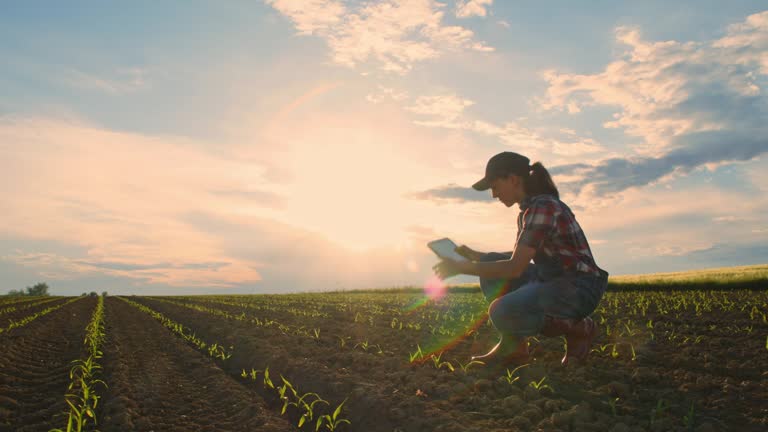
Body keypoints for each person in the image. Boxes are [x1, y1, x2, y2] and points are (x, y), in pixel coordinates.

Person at [432, 151, 609, 367]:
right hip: (553, 280)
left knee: (502, 311)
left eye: (495, 186)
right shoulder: (529, 211)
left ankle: (579, 328)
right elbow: (520, 258)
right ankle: (514, 348)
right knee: (491, 261)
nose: (494, 195)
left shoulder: (543, 207)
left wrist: (462, 267)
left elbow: (515, 268)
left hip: (578, 288)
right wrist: (473, 256)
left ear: (513, 180)